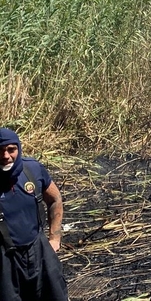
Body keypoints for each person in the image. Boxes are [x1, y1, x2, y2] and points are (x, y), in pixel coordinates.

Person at [0, 127, 68, 300]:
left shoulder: (32, 170)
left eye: (11, 150)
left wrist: (55, 238)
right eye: (0, 151)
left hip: (39, 249)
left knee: (55, 294)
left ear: (18, 149)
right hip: (5, 259)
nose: (6, 156)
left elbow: (55, 200)